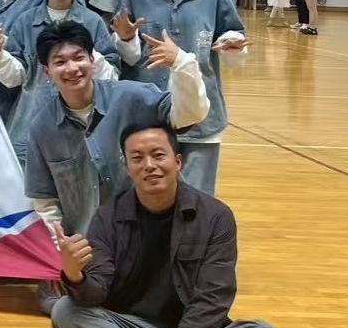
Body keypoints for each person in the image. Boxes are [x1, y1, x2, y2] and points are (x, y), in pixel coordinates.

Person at [50, 123, 280, 328]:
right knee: (65, 310)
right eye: (137, 158)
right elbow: (96, 294)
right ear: (126, 166)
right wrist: (74, 274)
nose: (149, 165)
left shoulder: (215, 216)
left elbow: (214, 298)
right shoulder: (108, 217)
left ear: (177, 161)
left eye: (158, 155)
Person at [24, 20, 209, 239]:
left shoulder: (133, 97)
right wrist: (61, 245)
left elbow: (189, 114)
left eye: (78, 57)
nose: (72, 68)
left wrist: (181, 62)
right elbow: (45, 200)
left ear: (92, 60)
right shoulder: (42, 128)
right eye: (60, 62)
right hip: (91, 246)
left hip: (154, 237)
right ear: (47, 72)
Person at [112, 0, 247, 196]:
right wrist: (125, 38)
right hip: (148, 113)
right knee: (148, 198)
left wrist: (232, 42)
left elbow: (231, 32)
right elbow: (130, 58)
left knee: (196, 200)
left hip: (202, 115)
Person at [0, 0, 120, 162]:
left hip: (83, 129)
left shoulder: (92, 22)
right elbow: (15, 79)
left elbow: (111, 78)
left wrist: (87, 54)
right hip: (30, 125)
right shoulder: (26, 21)